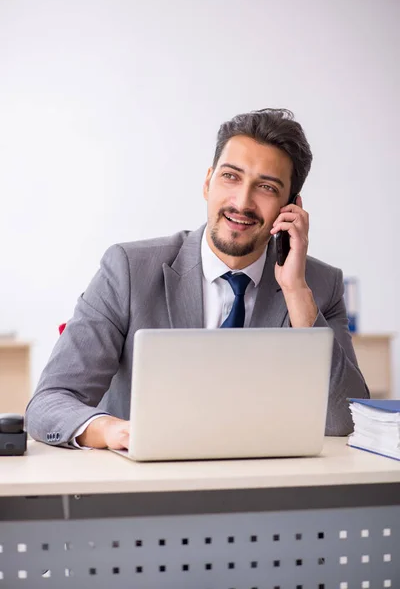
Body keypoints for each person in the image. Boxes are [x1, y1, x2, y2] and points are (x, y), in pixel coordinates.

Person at [25, 108, 369, 450]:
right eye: (231, 177)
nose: (242, 202)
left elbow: (348, 420)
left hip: (265, 490)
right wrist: (114, 431)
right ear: (208, 182)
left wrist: (296, 293)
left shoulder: (319, 287)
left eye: (265, 187)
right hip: (144, 489)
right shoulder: (128, 270)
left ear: (290, 207)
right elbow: (50, 402)